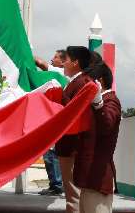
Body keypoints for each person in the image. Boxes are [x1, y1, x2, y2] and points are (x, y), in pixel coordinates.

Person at [74, 56, 121, 213]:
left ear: (99, 81)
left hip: (98, 180)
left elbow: (106, 125)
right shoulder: (95, 103)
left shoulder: (111, 101)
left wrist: (98, 104)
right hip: (89, 179)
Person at [56, 46, 94, 213]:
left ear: (75, 63)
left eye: (66, 60)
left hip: (73, 148)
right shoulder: (76, 82)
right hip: (70, 147)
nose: (63, 63)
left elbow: (74, 115)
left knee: (73, 197)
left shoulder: (81, 83)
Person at [36, 50, 68, 196]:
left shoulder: (60, 72)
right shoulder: (66, 75)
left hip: (58, 119)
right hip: (58, 118)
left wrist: (24, 51)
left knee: (50, 153)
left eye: (55, 57)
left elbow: (41, 64)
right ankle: (57, 184)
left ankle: (56, 185)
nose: (51, 59)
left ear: (63, 62)